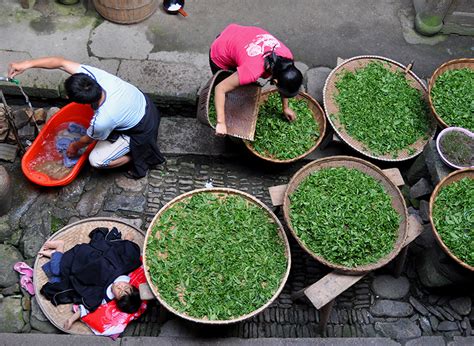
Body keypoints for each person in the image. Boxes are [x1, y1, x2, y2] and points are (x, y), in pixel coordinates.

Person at [8, 57, 165, 179]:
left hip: (142, 128)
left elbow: (86, 140)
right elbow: (60, 62)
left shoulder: (103, 119)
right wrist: (26, 64)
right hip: (144, 103)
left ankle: (133, 156)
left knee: (96, 161)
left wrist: (73, 147)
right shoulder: (95, 77)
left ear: (81, 102)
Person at [209, 23, 303, 136]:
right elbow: (220, 89)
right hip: (220, 50)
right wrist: (221, 123)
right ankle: (222, 110)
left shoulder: (286, 57)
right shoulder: (252, 70)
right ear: (276, 82)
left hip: (237, 33)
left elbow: (284, 82)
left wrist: (285, 108)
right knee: (227, 86)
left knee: (240, 79)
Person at [38, 228, 142, 330]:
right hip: (86, 257)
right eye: (126, 287)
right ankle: (59, 248)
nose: (120, 286)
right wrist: (128, 240)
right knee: (57, 270)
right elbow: (125, 252)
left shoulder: (105, 296)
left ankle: (55, 254)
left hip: (81, 273)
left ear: (117, 299)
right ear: (130, 285)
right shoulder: (125, 270)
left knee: (58, 276)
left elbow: (87, 308)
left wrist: (71, 320)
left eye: (120, 292)